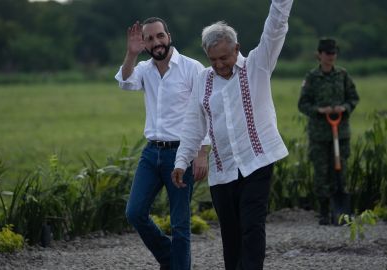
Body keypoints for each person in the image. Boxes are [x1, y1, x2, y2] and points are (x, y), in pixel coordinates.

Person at [171, 0, 293, 268]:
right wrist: (182, 161)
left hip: (256, 162)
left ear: (236, 49)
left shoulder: (257, 66)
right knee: (231, 234)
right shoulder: (203, 79)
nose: (219, 64)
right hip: (223, 169)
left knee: (251, 227)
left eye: (224, 58)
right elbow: (193, 124)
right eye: (213, 59)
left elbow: (275, 28)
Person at [114, 17, 209, 270]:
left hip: (182, 153)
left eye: (160, 36)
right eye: (149, 39)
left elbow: (206, 111)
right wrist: (131, 54)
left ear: (169, 36)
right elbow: (124, 81)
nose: (156, 42)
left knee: (179, 223)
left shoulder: (192, 68)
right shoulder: (144, 69)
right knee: (134, 213)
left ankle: (178, 266)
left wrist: (201, 153)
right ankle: (170, 258)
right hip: (151, 153)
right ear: (144, 44)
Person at [298, 38, 359, 225]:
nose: (330, 56)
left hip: (340, 133)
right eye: (327, 53)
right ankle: (324, 212)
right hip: (319, 135)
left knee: (340, 171)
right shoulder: (312, 77)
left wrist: (344, 108)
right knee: (321, 173)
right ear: (319, 55)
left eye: (333, 53)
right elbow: (303, 104)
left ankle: (340, 212)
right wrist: (319, 111)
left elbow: (353, 98)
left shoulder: (342, 75)